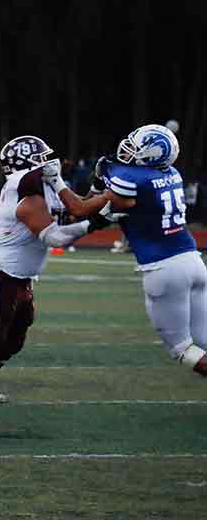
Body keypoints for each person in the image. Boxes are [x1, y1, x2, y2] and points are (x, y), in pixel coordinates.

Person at [0, 136, 113, 407]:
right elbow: (55, 238)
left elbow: (78, 210)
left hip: (22, 276)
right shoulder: (21, 189)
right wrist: (96, 223)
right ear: (26, 164)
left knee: (13, 340)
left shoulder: (42, 190)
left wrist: (99, 187)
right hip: (2, 271)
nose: (48, 163)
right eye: (41, 158)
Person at [93, 125, 207, 378]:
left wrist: (101, 175)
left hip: (164, 269)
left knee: (183, 350)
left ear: (153, 154)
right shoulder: (173, 173)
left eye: (137, 147)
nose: (128, 149)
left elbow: (112, 194)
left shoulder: (134, 179)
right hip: (193, 261)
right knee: (205, 341)